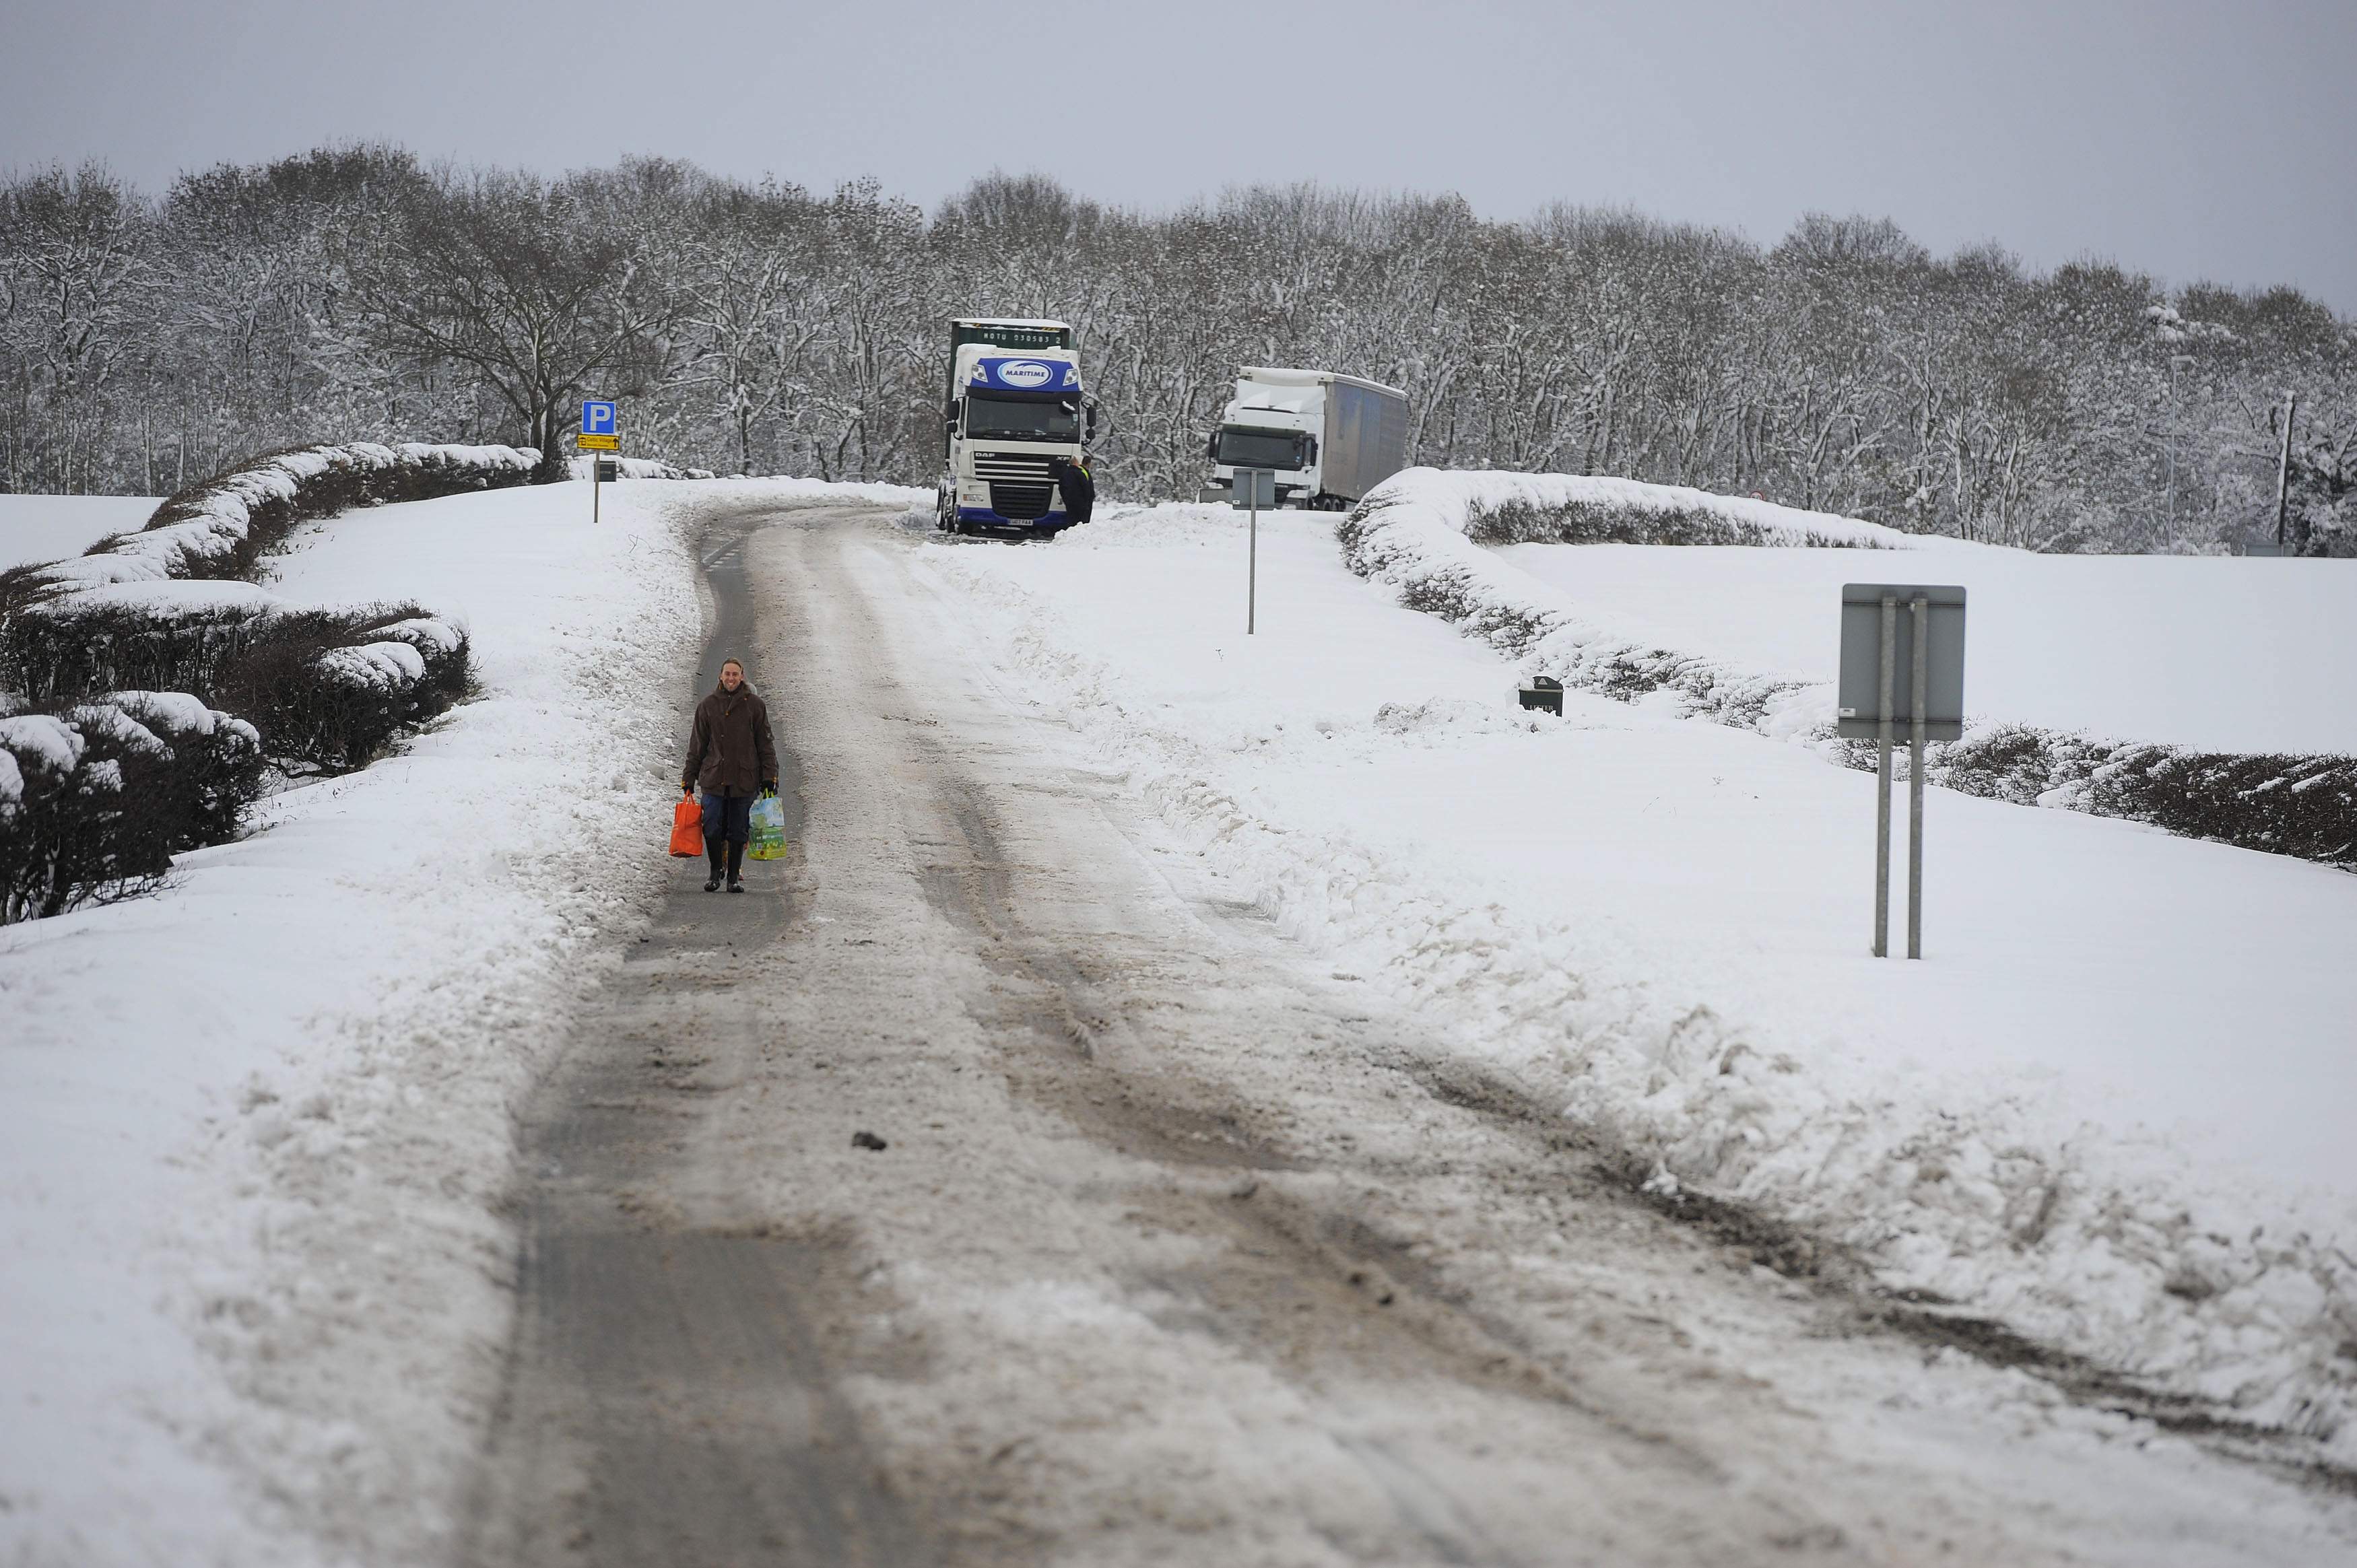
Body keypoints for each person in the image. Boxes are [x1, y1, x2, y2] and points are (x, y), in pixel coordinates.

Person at [680, 658, 778, 893]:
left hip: (744, 779)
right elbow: (697, 745)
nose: (731, 678)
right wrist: (689, 777)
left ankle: (733, 877)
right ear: (721, 676)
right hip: (714, 778)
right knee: (711, 825)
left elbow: (765, 745)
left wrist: (770, 777)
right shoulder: (707, 705)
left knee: (738, 828)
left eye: (735, 674)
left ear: (742, 676)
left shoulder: (755, 706)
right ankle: (715, 872)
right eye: (727, 674)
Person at [1055, 452, 1095, 530]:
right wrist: (1087, 501)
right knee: (1081, 522)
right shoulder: (1080, 473)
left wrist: (1065, 498)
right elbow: (1086, 488)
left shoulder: (1065, 473)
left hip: (1069, 502)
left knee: (1071, 521)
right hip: (1081, 503)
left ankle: (1071, 532)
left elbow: (1061, 487)